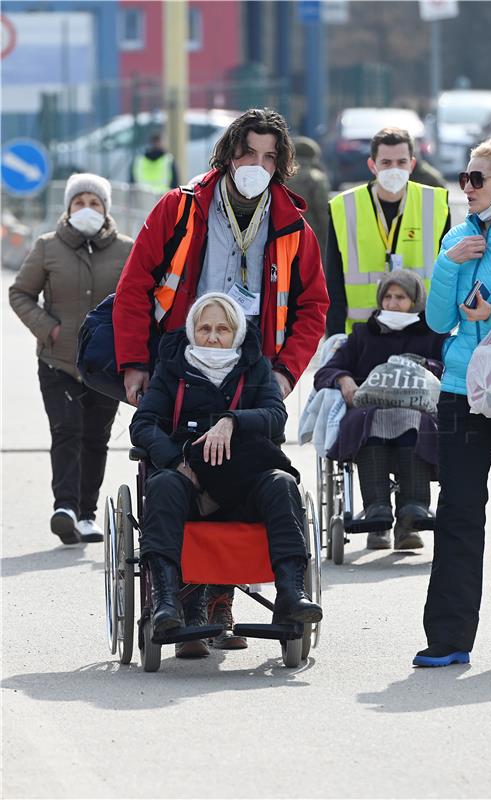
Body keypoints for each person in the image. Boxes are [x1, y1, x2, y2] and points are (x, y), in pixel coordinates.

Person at [113, 107, 329, 648]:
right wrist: (136, 361)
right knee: (177, 473)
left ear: (280, 165)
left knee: (247, 478)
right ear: (228, 155)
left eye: (268, 157)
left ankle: (220, 602)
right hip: (182, 349)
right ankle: (180, 604)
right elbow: (137, 284)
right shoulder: (180, 210)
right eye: (247, 153)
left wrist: (283, 375)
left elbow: (313, 307)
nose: (255, 164)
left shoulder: (292, 229)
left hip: (253, 365)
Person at [129, 293, 322, 657]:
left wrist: (232, 421)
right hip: (191, 484)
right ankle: (168, 603)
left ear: (236, 332)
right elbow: (144, 424)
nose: (213, 336)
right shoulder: (172, 368)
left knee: (282, 484)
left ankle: (292, 594)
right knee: (164, 484)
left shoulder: (256, 367)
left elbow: (275, 416)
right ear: (191, 331)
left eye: (222, 328)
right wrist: (176, 460)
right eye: (204, 328)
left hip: (242, 481)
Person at [413, 138, 491, 667]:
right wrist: (446, 263)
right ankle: (449, 639)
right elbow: (440, 322)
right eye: (465, 178)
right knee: (458, 511)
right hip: (464, 391)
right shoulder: (457, 237)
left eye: (478, 179)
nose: (467, 187)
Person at [9, 174, 133, 545]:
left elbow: (138, 300)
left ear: (106, 209)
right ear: (67, 207)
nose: (86, 210)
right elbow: (20, 294)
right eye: (79, 203)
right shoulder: (48, 246)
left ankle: (87, 513)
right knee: (66, 431)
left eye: (94, 204)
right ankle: (64, 507)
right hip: (57, 361)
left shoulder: (126, 250)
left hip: (104, 365)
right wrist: (50, 329)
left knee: (95, 438)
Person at [314, 270, 447, 549]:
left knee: (415, 420)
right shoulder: (363, 333)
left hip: (415, 407)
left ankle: (412, 511)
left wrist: (427, 367)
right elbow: (326, 371)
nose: (392, 303)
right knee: (365, 419)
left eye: (400, 297)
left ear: (415, 301)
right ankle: (377, 509)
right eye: (387, 296)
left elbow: (449, 369)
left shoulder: (432, 335)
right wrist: (343, 378)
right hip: (370, 407)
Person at [326, 126, 451, 335]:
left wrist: (442, 335)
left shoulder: (435, 203)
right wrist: (335, 337)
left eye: (401, 162)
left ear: (412, 164)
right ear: (372, 165)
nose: (394, 169)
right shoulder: (344, 206)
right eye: (386, 163)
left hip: (421, 331)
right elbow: (333, 281)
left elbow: (446, 277)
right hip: (363, 334)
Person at [286, 136, 330, 261]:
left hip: (283, 238)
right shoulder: (315, 178)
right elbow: (323, 214)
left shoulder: (281, 176)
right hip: (310, 238)